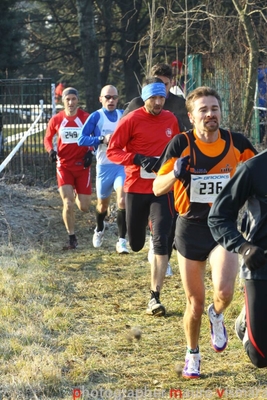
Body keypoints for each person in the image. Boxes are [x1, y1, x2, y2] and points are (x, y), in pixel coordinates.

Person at [152, 86, 257, 378]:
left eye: (214, 108)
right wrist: (175, 174)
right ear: (191, 116)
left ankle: (218, 313)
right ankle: (193, 354)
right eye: (203, 110)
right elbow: (156, 188)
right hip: (190, 228)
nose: (210, 114)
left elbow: (259, 172)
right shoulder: (180, 144)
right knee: (194, 304)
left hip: (223, 226)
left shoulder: (237, 143)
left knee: (224, 292)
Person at [107, 77, 180, 316]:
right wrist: (137, 158)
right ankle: (141, 235)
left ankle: (154, 297)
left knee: (161, 238)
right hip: (136, 187)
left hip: (162, 189)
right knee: (137, 243)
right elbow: (113, 151)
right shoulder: (131, 119)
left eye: (161, 98)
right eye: (153, 98)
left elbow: (179, 148)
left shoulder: (171, 119)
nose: (158, 102)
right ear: (145, 98)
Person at [123, 62, 191, 277]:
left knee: (166, 222)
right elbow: (121, 137)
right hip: (138, 176)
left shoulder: (179, 105)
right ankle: (145, 239)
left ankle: (161, 253)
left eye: (166, 85)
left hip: (168, 172)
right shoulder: (135, 104)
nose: (161, 93)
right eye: (158, 85)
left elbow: (187, 133)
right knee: (135, 240)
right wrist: (137, 157)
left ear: (171, 84)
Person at [208, 150, 267, 369]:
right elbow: (218, 216)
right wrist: (243, 247)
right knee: (260, 356)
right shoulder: (253, 169)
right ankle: (245, 323)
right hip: (260, 263)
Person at [78, 85, 128, 254]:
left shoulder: (123, 115)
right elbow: (81, 139)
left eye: (114, 97)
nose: (111, 100)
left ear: (118, 99)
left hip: (121, 165)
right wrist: (101, 139)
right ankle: (99, 228)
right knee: (102, 206)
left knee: (122, 199)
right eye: (107, 97)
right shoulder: (96, 117)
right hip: (104, 167)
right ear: (101, 99)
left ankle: (122, 241)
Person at [44, 87, 93, 250]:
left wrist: (90, 151)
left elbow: (94, 135)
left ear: (77, 100)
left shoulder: (86, 118)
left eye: (73, 99)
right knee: (68, 203)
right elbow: (47, 138)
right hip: (64, 165)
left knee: (84, 207)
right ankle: (72, 237)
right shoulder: (57, 119)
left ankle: (79, 193)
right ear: (63, 101)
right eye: (67, 99)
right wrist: (50, 150)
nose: (71, 102)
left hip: (82, 166)